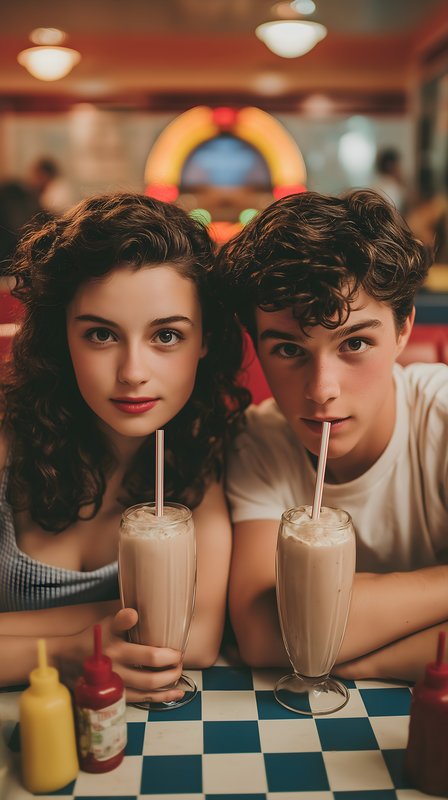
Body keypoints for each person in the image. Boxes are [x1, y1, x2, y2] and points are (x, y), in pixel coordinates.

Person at [0, 192, 249, 701]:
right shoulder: (8, 447)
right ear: (61, 336)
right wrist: (71, 651)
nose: (133, 373)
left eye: (166, 336)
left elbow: (195, 640)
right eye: (100, 335)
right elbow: (168, 625)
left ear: (204, 338)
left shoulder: (206, 454)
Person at [218, 188, 448, 683]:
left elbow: (295, 636)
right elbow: (263, 633)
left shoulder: (441, 420)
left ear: (404, 327)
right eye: (288, 350)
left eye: (356, 342)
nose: (322, 391)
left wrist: (361, 662)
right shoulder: (258, 442)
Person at [372, 147, 406, 214]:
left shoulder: (376, 184)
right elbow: (393, 213)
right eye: (398, 164)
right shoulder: (390, 187)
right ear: (390, 166)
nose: (401, 168)